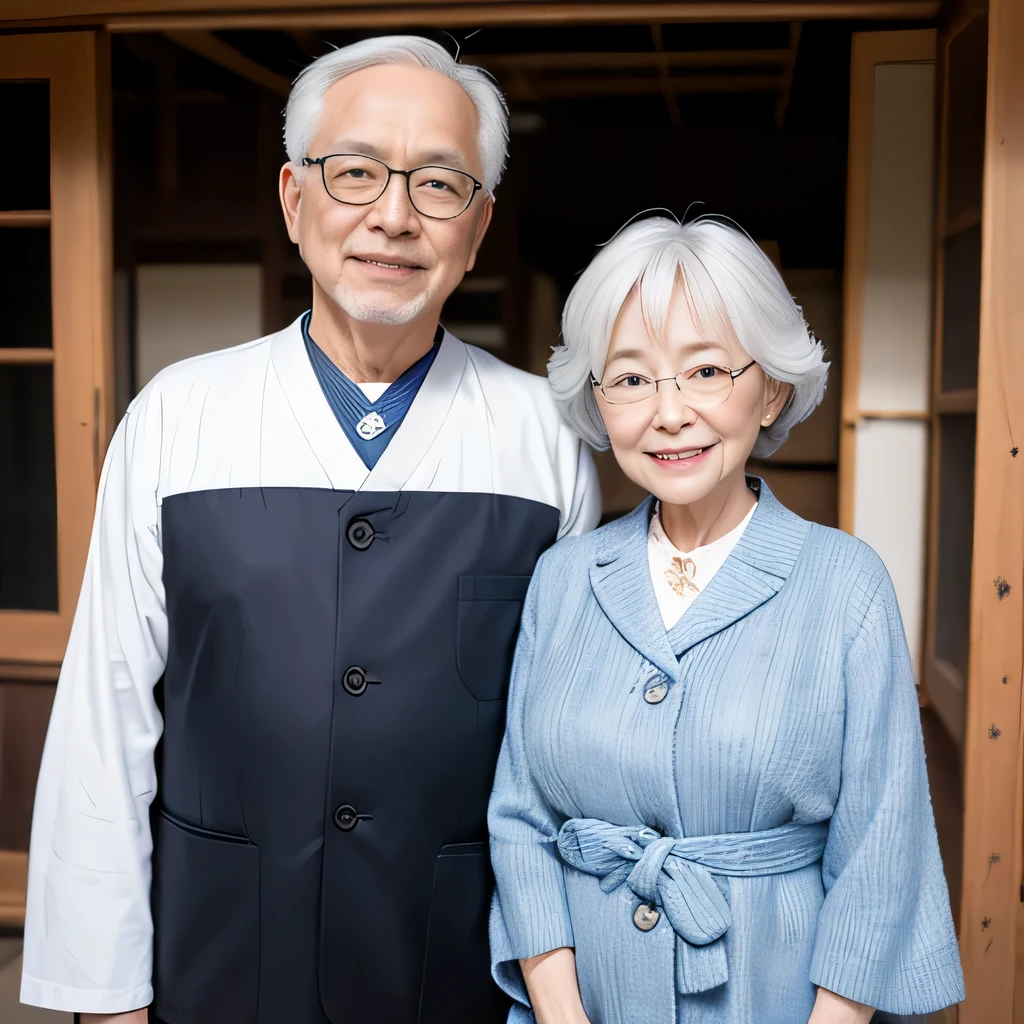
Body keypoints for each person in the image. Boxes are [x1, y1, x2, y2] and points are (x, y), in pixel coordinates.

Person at [20, 35, 600, 1024]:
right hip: (220, 946)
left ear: (478, 224)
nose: (391, 214)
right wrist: (103, 995)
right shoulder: (178, 416)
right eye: (357, 172)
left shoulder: (542, 434)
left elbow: (561, 746)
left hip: (451, 958)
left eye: (438, 183)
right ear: (295, 200)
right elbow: (106, 717)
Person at [487, 214, 965, 1024]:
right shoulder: (564, 578)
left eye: (705, 370)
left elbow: (881, 851)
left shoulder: (845, 584)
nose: (668, 413)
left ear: (771, 385)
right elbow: (520, 817)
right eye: (631, 379)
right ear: (599, 403)